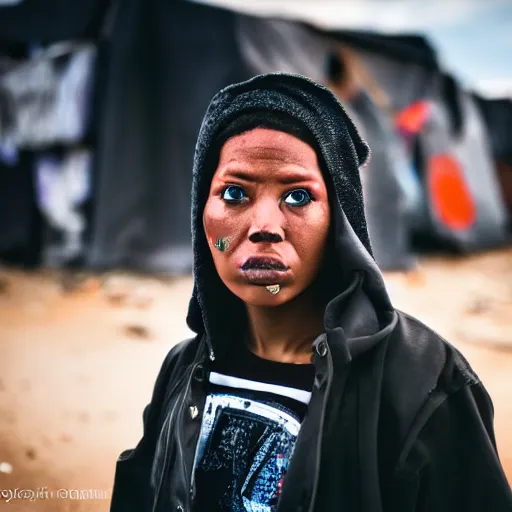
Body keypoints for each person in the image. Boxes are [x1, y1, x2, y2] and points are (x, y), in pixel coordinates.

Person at [109, 73, 512, 512]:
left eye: (298, 196)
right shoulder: (182, 369)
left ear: (340, 221)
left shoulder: (427, 383)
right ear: (201, 216)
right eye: (233, 193)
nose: (264, 226)